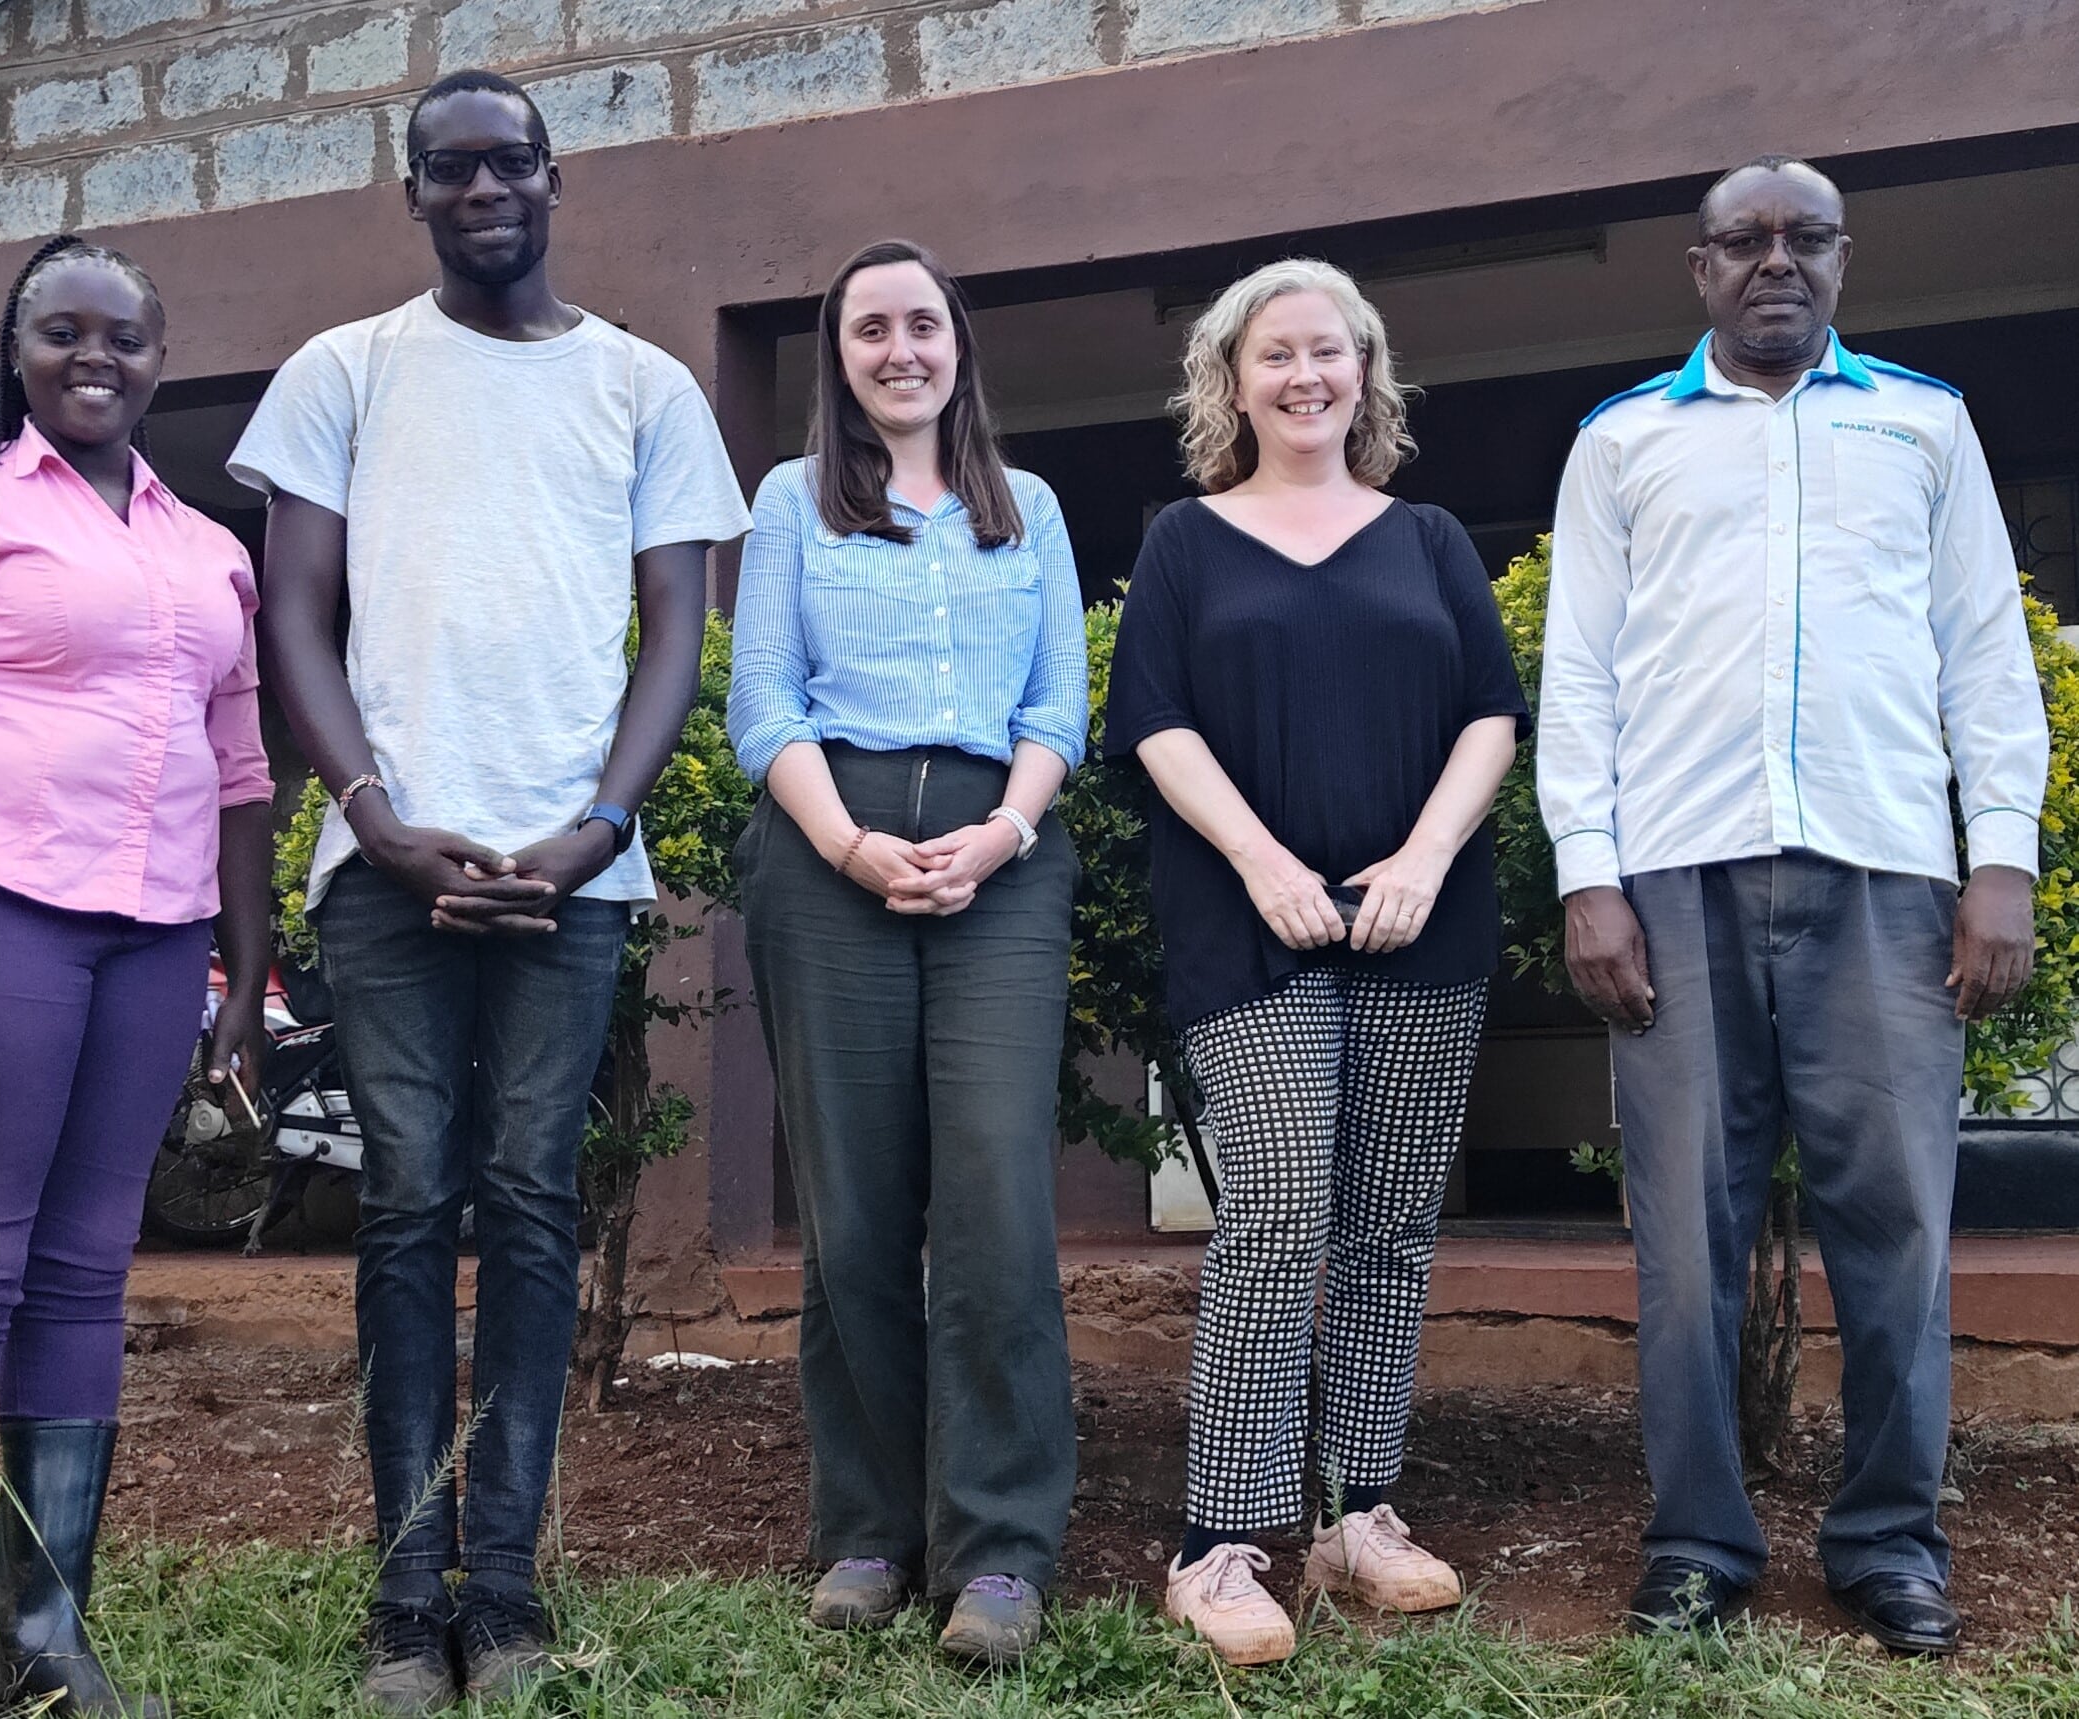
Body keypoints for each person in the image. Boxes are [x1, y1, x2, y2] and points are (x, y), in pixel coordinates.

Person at [229, 69, 749, 1713]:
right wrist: (376, 820)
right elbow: (293, 617)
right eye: (446, 170)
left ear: (550, 175)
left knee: (528, 1207)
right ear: (412, 192)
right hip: (387, 870)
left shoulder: (646, 385)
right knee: (400, 1207)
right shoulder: (345, 373)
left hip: (570, 876)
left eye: (504, 164)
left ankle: (505, 1589)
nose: (479, 192)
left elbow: (676, 630)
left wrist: (600, 827)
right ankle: (405, 1601)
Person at [1538, 155, 2046, 1654]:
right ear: (1698, 269)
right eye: (1743, 240)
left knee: (1895, 1229)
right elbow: (1580, 676)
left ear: (1843, 260)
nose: (1775, 262)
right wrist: (1588, 876)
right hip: (1676, 878)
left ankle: (1892, 1543)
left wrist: (1998, 857)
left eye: (1803, 239)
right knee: (1684, 1242)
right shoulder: (1620, 441)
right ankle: (1698, 1543)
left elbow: (1981, 653)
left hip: (1886, 874)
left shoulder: (1924, 424)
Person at [0, 234, 274, 1719]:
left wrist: (244, 963)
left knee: (86, 1279)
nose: (97, 358)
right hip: (0, 923)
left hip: (155, 946)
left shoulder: (208, 546)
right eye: (64, 332)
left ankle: (45, 1644)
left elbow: (240, 772)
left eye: (128, 337)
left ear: (164, 357)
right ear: (17, 346)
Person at [1106, 259, 1525, 1665]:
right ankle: (1221, 1541)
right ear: (1230, 380)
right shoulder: (1184, 540)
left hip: (1424, 922)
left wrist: (1417, 859)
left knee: (1391, 1226)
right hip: (1250, 927)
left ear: (1366, 372)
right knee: (1279, 1212)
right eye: (1274, 354)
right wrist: (1267, 866)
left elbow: (1490, 715)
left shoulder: (1428, 538)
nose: (1304, 376)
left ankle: (1357, 1515)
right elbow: (1155, 722)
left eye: (1329, 351)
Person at [726, 238, 1089, 1666]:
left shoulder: (1031, 509)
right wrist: (848, 844)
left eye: (922, 324)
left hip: (1002, 849)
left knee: (996, 1196)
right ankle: (871, 1530)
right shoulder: (788, 503)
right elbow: (763, 701)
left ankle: (1000, 1551)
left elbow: (1059, 702)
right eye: (869, 328)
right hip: (836, 847)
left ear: (958, 347)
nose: (899, 350)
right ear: (840, 356)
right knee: (857, 1206)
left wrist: (1000, 835)